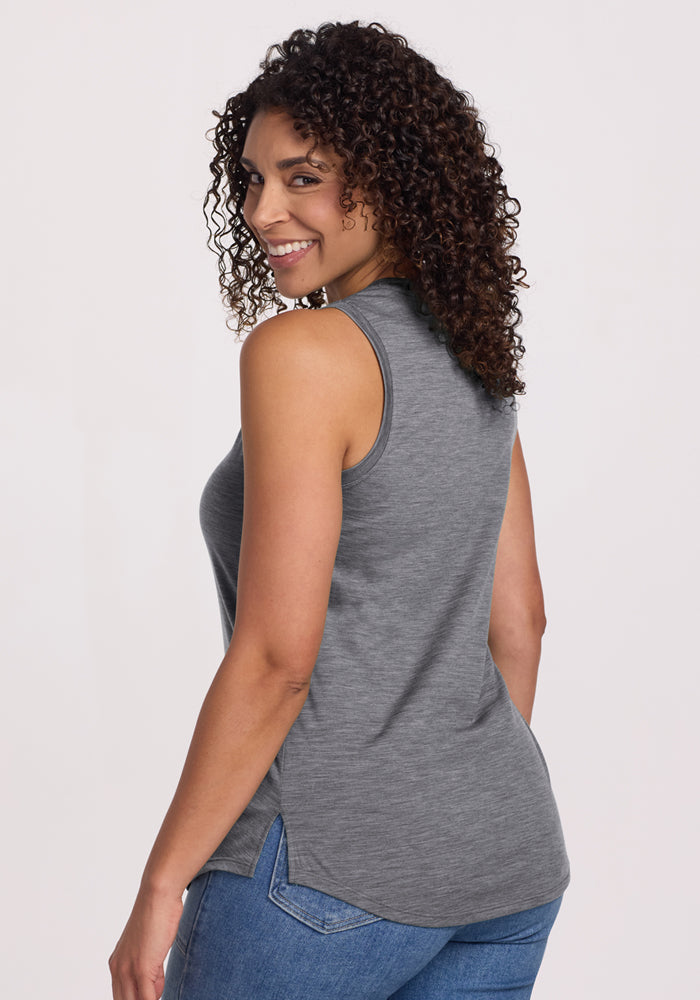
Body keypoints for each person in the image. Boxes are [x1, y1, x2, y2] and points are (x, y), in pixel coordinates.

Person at [109, 20, 570, 1000]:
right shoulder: (473, 356)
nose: (261, 208)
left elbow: (279, 658)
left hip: (320, 872)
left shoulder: (301, 356)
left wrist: (160, 883)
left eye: (301, 176)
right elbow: (520, 621)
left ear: (390, 178)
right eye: (251, 178)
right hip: (503, 860)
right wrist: (448, 812)